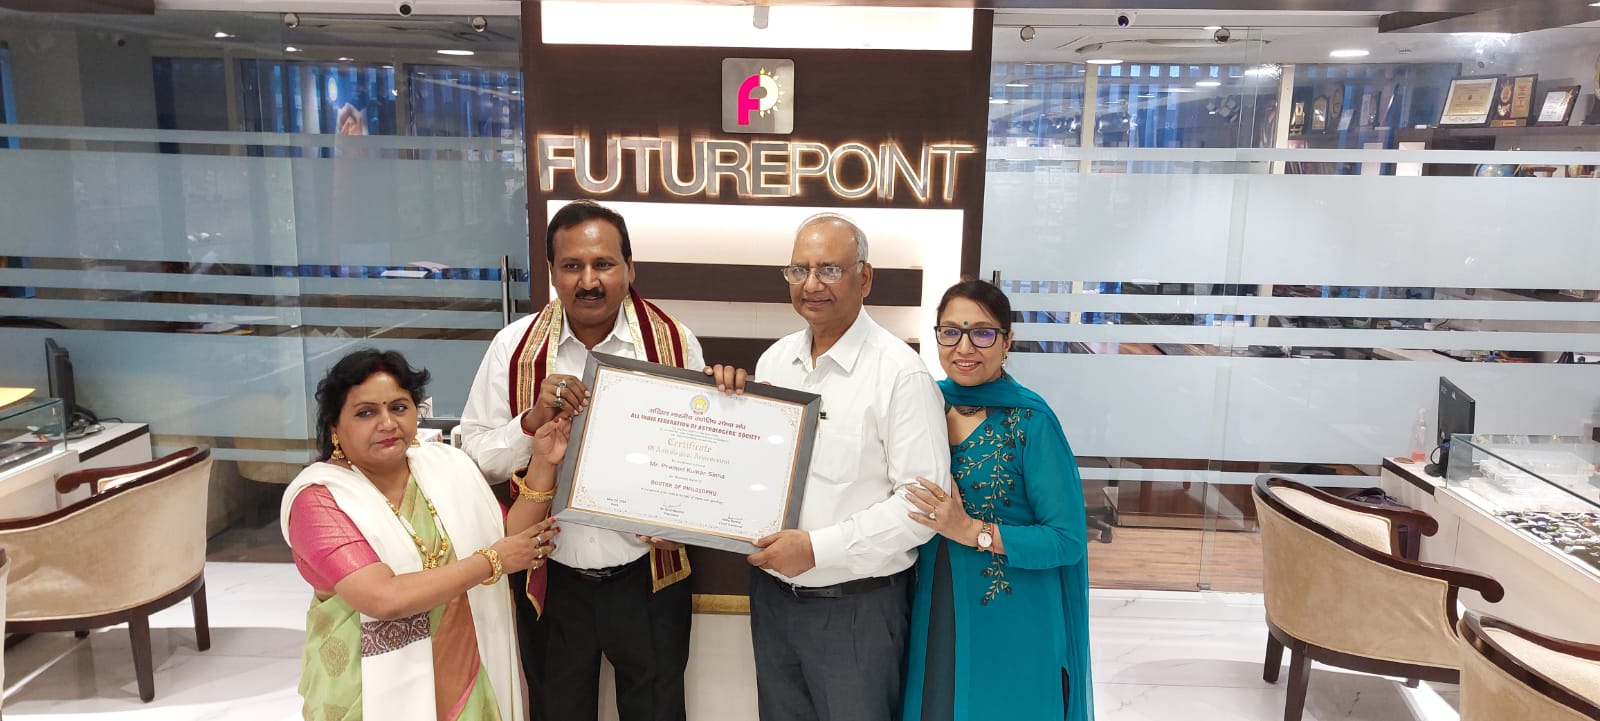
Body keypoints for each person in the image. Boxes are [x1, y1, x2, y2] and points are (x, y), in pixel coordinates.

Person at [460, 200, 703, 721]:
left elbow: (697, 455)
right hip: (551, 579)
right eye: (572, 265)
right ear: (552, 271)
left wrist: (685, 519)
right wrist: (530, 423)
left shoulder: (673, 343)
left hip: (649, 579)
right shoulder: (513, 348)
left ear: (629, 268)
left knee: (659, 712)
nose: (588, 281)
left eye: (603, 264)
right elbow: (476, 457)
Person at [739, 213, 950, 721]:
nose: (812, 285)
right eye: (799, 270)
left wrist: (817, 549)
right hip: (774, 602)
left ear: (865, 277)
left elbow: (922, 508)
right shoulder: (774, 363)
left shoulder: (900, 374)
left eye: (830, 270)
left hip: (858, 610)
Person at [282, 348, 566, 721]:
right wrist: (492, 561)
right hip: (367, 689)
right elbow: (383, 597)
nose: (387, 423)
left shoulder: (447, 467)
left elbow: (512, 537)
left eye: (399, 408)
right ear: (335, 425)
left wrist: (543, 462)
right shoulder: (319, 499)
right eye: (366, 413)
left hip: (465, 670)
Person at [899, 280, 1094, 721]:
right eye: (951, 332)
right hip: (927, 602)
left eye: (983, 333)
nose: (964, 347)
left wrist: (973, 531)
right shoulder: (922, 404)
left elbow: (1066, 540)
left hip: (1011, 616)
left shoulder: (1031, 421)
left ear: (1007, 342)